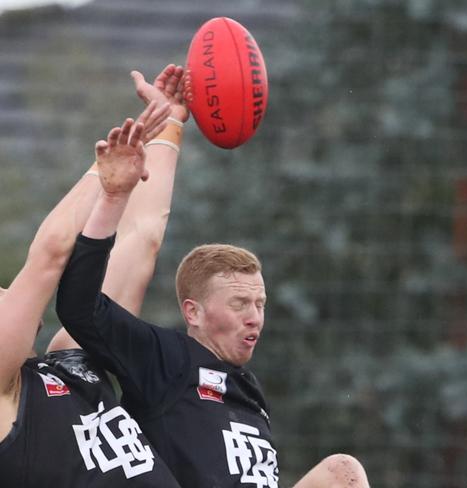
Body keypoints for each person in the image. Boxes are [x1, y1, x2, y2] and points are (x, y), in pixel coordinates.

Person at [57, 130, 370, 488]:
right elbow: (78, 307)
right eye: (239, 304)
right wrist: (112, 197)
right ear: (194, 313)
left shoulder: (247, 387)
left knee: (342, 471)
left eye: (259, 304)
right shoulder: (167, 359)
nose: (254, 317)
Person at [0, 63, 187, 487]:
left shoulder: (71, 355)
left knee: (339, 473)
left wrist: (165, 128)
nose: (5, 292)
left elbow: (140, 241)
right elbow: (50, 255)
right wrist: (102, 177)